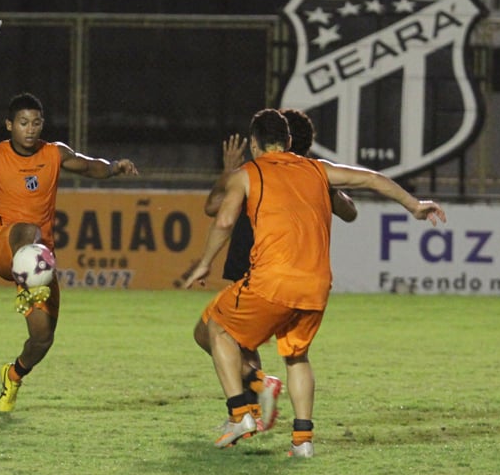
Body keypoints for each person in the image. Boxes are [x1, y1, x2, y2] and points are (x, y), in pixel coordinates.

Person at [184, 108, 445, 457]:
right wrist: (414, 205)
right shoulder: (318, 170)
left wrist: (204, 264)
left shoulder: (249, 172)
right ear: (290, 142)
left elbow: (223, 218)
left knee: (215, 329)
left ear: (254, 144)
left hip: (271, 279)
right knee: (297, 356)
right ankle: (303, 441)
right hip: (316, 285)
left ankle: (240, 414)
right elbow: (370, 179)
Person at [0, 92, 138, 412]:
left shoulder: (54, 154)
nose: (30, 129)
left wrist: (114, 167)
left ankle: (14, 375)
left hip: (40, 260)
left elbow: (88, 166)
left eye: (36, 123)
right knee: (28, 229)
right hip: (3, 245)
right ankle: (29, 289)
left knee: (42, 339)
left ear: (42, 125)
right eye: (23, 123)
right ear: (9, 125)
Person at [196, 110, 359, 435]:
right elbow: (351, 212)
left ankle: (249, 408)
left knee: (222, 335)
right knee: (238, 341)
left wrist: (229, 173)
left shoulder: (290, 174)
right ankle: (263, 406)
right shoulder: (286, 172)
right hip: (271, 259)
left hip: (267, 260)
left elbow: (213, 209)